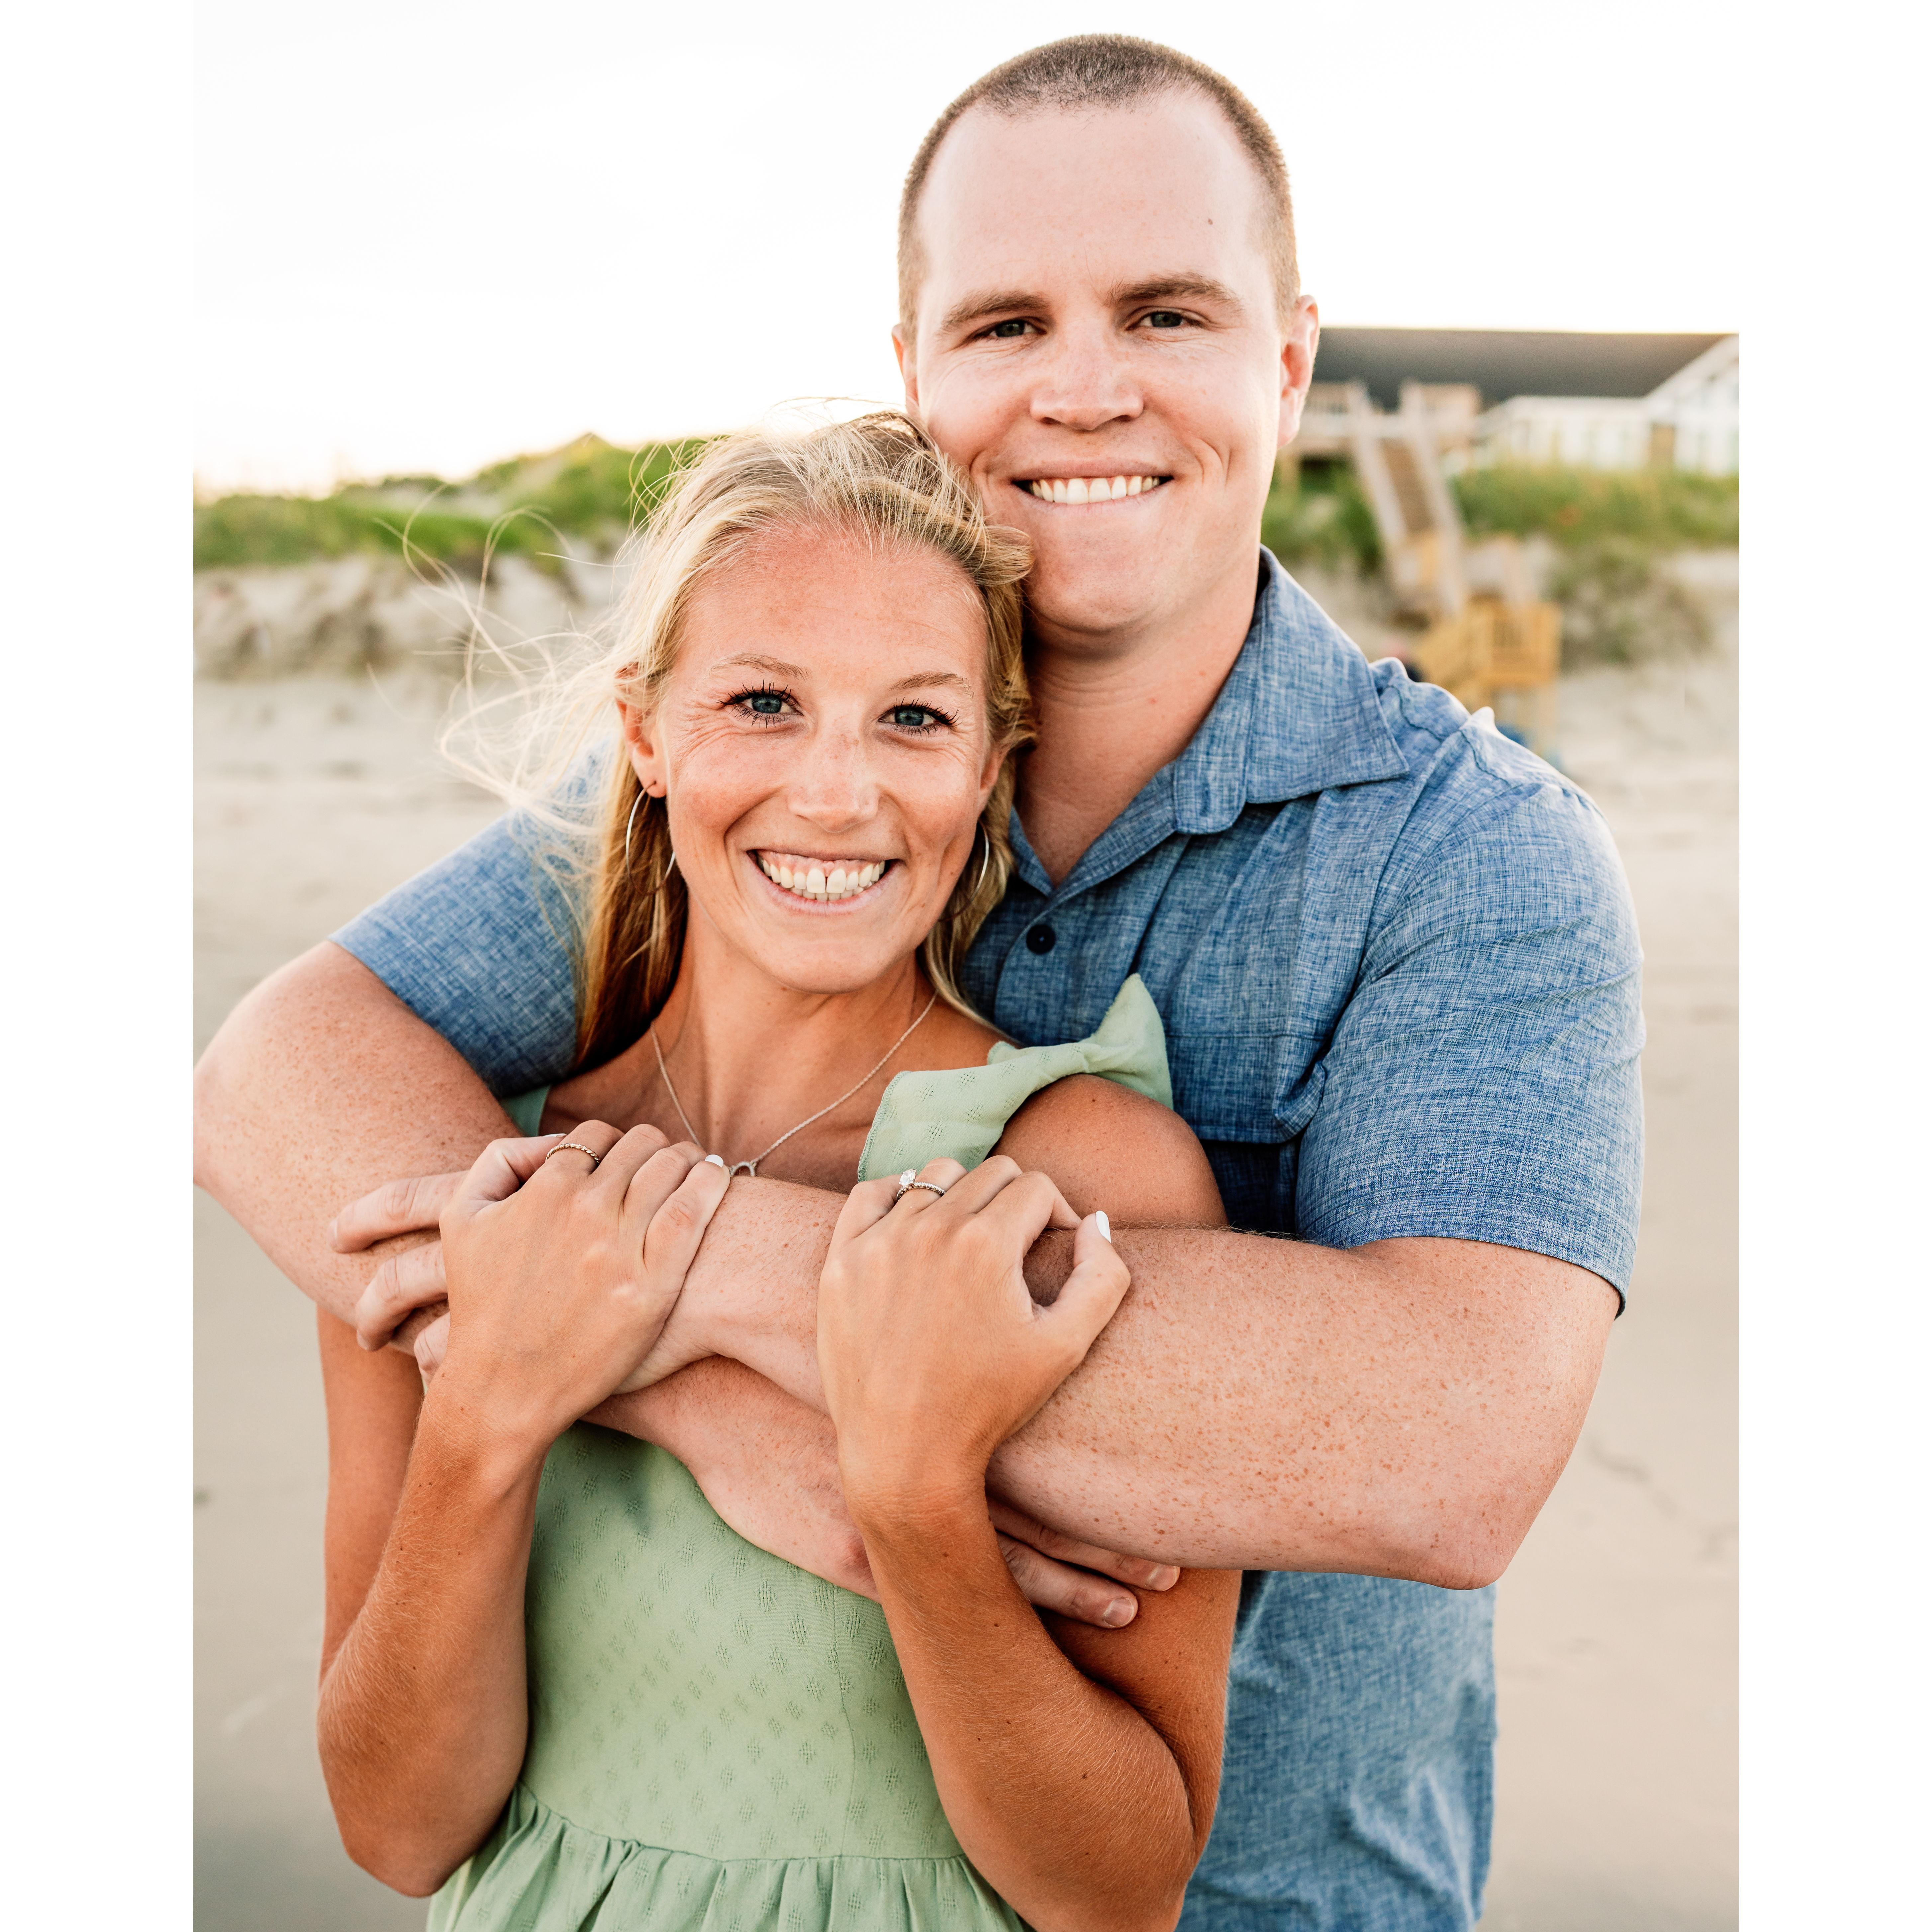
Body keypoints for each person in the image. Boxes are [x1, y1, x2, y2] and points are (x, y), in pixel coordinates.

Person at [195, 34, 1642, 1930]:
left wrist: (672, 1278)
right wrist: (724, 1411)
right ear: (915, 372)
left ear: (1287, 357)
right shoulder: (773, 775)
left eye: (1167, 310)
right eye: (1003, 324)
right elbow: (278, 1075)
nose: (1085, 386)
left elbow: (1446, 1450)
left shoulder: (1471, 853)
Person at [318, 414, 1240, 1931]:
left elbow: (1120, 1886)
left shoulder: (1075, 1174)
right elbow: (399, 1828)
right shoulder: (473, 1170)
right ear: (643, 732)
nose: (834, 793)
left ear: (992, 767)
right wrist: (485, 1412)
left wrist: (912, 1495)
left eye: (914, 720)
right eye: (762, 701)